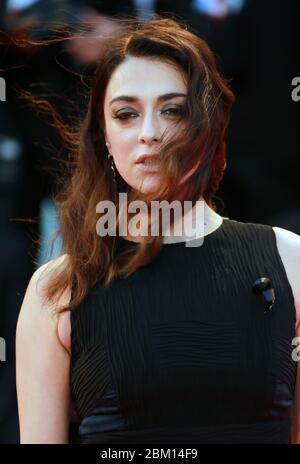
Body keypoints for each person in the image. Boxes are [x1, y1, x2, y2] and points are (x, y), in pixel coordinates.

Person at [15, 16, 300, 444]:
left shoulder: (289, 259)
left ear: (209, 124)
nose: (149, 134)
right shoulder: (58, 290)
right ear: (105, 136)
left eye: (172, 110)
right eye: (126, 114)